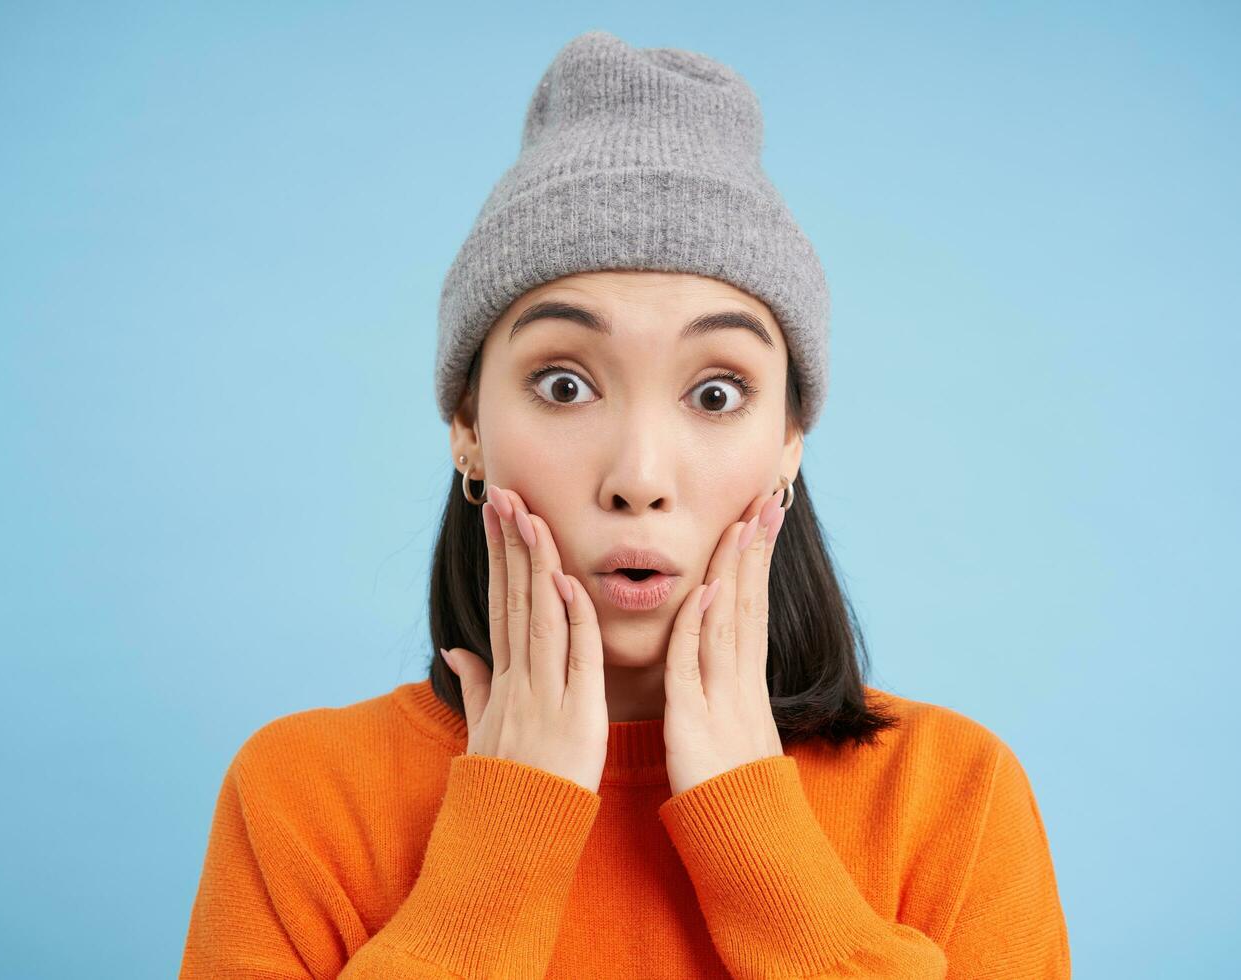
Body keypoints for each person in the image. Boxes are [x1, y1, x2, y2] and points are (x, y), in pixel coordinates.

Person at [180, 30, 1070, 979]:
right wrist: (507, 832)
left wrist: (754, 825)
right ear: (467, 427)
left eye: (716, 393)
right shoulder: (299, 797)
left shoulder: (954, 797)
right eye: (564, 385)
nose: (639, 476)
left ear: (787, 447)